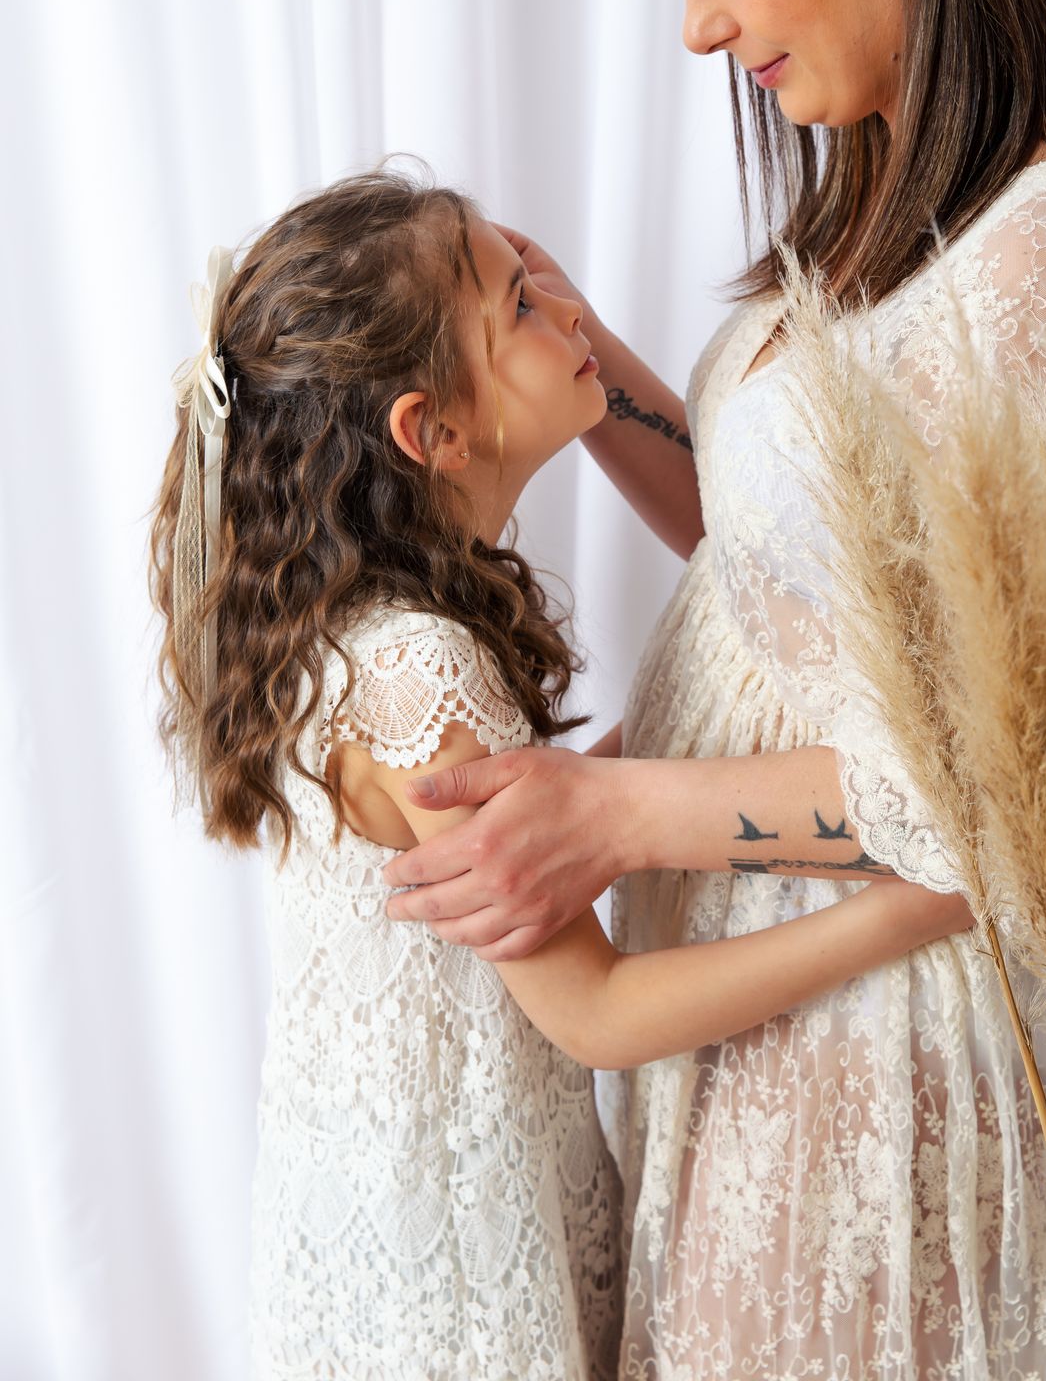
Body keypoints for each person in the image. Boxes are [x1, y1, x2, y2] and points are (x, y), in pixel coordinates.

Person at [381, 0, 1046, 1378]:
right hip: (784, 1046)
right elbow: (806, 577)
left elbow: (1018, 773)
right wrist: (598, 373)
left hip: (902, 1063)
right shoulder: (893, 185)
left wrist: (614, 822)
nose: (699, 26)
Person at [148, 163, 974, 1381]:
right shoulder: (418, 672)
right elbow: (597, 1014)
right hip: (462, 1263)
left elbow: (514, 847)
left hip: (373, 1217)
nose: (568, 315)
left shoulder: (353, 641)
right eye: (519, 309)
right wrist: (918, 902)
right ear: (431, 429)